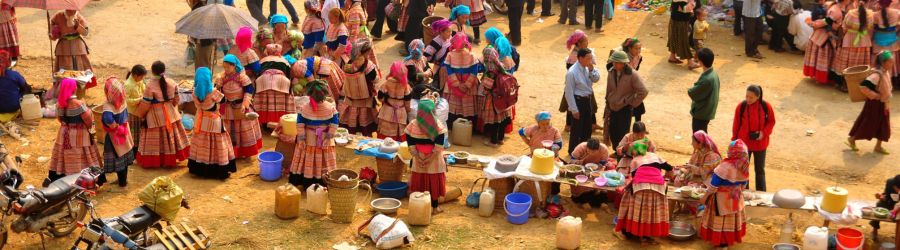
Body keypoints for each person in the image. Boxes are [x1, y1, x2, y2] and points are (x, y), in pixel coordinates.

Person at [136, 61, 190, 168]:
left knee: (156, 139)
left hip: (155, 115)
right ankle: (170, 159)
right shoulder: (172, 82)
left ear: (152, 71)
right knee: (170, 137)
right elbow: (176, 99)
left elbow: (146, 104)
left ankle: (157, 160)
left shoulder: (150, 85)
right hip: (170, 113)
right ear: (164, 70)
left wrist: (141, 115)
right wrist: (172, 108)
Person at [615, 142, 671, 242]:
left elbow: (635, 178)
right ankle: (646, 234)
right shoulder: (655, 156)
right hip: (659, 188)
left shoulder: (635, 161)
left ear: (635, 152)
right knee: (650, 210)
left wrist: (627, 190)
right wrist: (665, 176)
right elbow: (670, 168)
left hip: (641, 187)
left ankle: (628, 230)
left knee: (633, 205)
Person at [699, 140, 750, 249]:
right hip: (736, 198)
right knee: (730, 221)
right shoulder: (744, 166)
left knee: (720, 222)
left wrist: (704, 198)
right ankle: (726, 243)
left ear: (733, 152)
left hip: (721, 200)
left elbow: (713, 186)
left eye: (729, 150)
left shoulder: (725, 166)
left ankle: (720, 244)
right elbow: (743, 185)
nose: (727, 151)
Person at [48, 78, 101, 182]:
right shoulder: (79, 104)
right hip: (79, 135)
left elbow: (60, 120)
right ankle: (83, 181)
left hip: (64, 134)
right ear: (73, 89)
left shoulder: (59, 104)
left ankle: (63, 179)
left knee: (63, 156)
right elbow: (89, 121)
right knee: (82, 156)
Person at [288, 80, 339, 187]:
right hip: (325, 140)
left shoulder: (304, 108)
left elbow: (300, 124)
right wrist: (328, 137)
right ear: (325, 94)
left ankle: (306, 181)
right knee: (323, 162)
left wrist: (301, 139)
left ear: (310, 94)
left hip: (308, 140)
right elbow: (334, 124)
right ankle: (323, 181)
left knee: (308, 160)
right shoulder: (331, 108)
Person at [188, 68, 236, 180]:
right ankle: (218, 170)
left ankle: (200, 169)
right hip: (213, 121)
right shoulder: (212, 91)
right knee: (218, 144)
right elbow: (223, 100)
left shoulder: (194, 91)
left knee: (201, 143)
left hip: (201, 120)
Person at [406, 98, 449, 214]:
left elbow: (410, 143)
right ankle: (435, 208)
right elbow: (439, 146)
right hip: (434, 159)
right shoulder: (438, 125)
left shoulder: (413, 124)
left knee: (420, 180)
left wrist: (418, 157)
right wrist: (429, 159)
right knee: (433, 181)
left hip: (418, 157)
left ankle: (420, 207)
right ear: (433, 111)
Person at [731, 85, 775, 191]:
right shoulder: (741, 106)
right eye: (746, 96)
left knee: (760, 170)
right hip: (744, 144)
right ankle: (743, 192)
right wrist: (734, 141)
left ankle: (762, 194)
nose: (748, 99)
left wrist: (763, 133)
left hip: (760, 144)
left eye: (751, 97)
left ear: (758, 97)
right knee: (742, 170)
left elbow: (771, 121)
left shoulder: (766, 106)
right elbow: (736, 124)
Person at [847, 50, 892, 154]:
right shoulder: (876, 75)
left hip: (884, 104)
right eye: (889, 61)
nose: (892, 63)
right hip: (874, 104)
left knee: (884, 125)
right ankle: (852, 139)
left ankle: (878, 146)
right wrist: (876, 96)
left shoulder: (886, 72)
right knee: (868, 124)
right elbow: (863, 86)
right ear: (883, 63)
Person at [218, 55, 263, 158]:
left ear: (234, 66)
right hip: (228, 108)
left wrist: (245, 104)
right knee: (229, 129)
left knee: (243, 129)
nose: (226, 69)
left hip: (241, 107)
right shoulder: (222, 77)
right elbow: (218, 91)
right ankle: (232, 152)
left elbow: (249, 91)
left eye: (228, 67)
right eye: (224, 67)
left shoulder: (242, 77)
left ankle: (244, 152)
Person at [605, 50, 647, 150]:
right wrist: (608, 101)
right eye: (613, 62)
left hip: (625, 109)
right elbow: (608, 89)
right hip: (612, 107)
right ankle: (616, 151)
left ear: (623, 63)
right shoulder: (611, 72)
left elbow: (643, 91)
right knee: (613, 131)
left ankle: (622, 153)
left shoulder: (633, 74)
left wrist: (632, 103)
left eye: (616, 62)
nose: (614, 64)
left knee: (623, 134)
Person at [98, 77, 134, 187]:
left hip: (115, 135)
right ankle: (123, 180)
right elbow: (126, 115)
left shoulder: (108, 106)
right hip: (125, 132)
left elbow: (108, 120)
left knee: (118, 158)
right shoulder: (123, 101)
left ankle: (122, 183)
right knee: (125, 156)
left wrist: (114, 126)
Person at [479, 37, 515, 147]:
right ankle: (500, 139)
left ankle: (493, 141)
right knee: (503, 118)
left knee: (495, 121)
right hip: (504, 100)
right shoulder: (502, 67)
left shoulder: (490, 72)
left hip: (493, 101)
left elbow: (485, 88)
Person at [339, 40, 379, 135]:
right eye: (368, 52)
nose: (369, 53)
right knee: (364, 122)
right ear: (362, 52)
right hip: (365, 101)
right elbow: (375, 80)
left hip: (351, 99)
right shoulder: (368, 65)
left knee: (352, 123)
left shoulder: (349, 63)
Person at [565, 48, 600, 154]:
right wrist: (574, 109)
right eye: (588, 58)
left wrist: (591, 70)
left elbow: (596, 79)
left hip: (587, 100)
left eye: (591, 58)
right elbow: (569, 92)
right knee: (576, 129)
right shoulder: (572, 72)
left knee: (587, 127)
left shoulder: (588, 68)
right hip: (578, 101)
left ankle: (585, 150)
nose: (590, 60)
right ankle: (573, 152)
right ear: (580, 58)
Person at [833, 1, 874, 91]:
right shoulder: (871, 14)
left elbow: (844, 27)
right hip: (864, 41)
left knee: (848, 63)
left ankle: (845, 85)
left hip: (850, 41)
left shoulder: (851, 13)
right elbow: (870, 28)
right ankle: (857, 85)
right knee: (860, 63)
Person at [442, 33, 480, 127]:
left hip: (453, 84)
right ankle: (470, 127)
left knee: (454, 105)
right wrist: (467, 84)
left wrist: (457, 84)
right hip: (469, 86)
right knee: (469, 105)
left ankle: (452, 126)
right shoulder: (471, 55)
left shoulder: (450, 55)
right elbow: (474, 72)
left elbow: (449, 71)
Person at [561, 30, 596, 132]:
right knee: (572, 103)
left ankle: (592, 123)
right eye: (585, 41)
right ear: (579, 43)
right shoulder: (575, 56)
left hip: (583, 84)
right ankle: (569, 125)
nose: (587, 43)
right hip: (577, 85)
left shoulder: (580, 53)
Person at [803, 0, 841, 85]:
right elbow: (827, 22)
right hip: (824, 36)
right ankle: (820, 76)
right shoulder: (835, 9)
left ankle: (819, 75)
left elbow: (825, 22)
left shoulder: (832, 7)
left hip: (821, 34)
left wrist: (813, 24)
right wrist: (815, 24)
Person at [255, 49, 297, 127]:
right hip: (281, 80)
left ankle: (265, 123)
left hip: (264, 80)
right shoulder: (284, 60)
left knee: (265, 103)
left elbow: (257, 73)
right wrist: (289, 89)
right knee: (280, 103)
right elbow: (289, 75)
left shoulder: (262, 60)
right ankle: (282, 123)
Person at [607, 38, 645, 122]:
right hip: (623, 82)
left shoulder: (639, 57)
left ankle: (638, 124)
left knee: (638, 104)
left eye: (639, 48)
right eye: (636, 48)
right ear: (629, 49)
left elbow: (636, 69)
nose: (638, 51)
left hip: (631, 81)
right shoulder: (623, 59)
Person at [378, 61, 413, 141]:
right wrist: (407, 110)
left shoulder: (386, 83)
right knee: (399, 133)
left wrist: (385, 101)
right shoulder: (405, 86)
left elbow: (380, 97)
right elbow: (407, 102)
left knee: (385, 132)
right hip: (401, 111)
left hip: (387, 111)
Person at [688, 48, 720, 133]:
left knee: (698, 137)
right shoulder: (713, 74)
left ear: (701, 62)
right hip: (707, 111)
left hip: (701, 112)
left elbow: (692, 92)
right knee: (703, 134)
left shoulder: (706, 79)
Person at [872, 0, 899, 81]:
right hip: (892, 41)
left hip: (878, 41)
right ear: (890, 3)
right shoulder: (897, 12)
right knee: (889, 60)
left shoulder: (875, 14)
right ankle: (888, 80)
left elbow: (873, 28)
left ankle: (878, 79)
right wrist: (895, 29)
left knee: (879, 61)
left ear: (879, 4)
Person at [0, 51, 29, 122]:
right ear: (9, 62)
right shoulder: (14, 75)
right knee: (25, 91)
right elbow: (26, 88)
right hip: (13, 107)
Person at [123, 65, 146, 150]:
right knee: (133, 132)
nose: (142, 78)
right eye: (141, 76)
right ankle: (133, 150)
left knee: (138, 131)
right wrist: (139, 99)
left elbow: (144, 89)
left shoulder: (139, 81)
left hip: (139, 110)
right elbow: (126, 100)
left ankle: (138, 148)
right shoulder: (128, 85)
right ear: (136, 75)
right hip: (132, 112)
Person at [425, 20, 452, 87]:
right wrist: (435, 61)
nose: (450, 33)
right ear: (441, 32)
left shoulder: (449, 38)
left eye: (450, 31)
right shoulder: (436, 42)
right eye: (448, 32)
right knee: (437, 79)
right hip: (439, 64)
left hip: (448, 62)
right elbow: (427, 54)